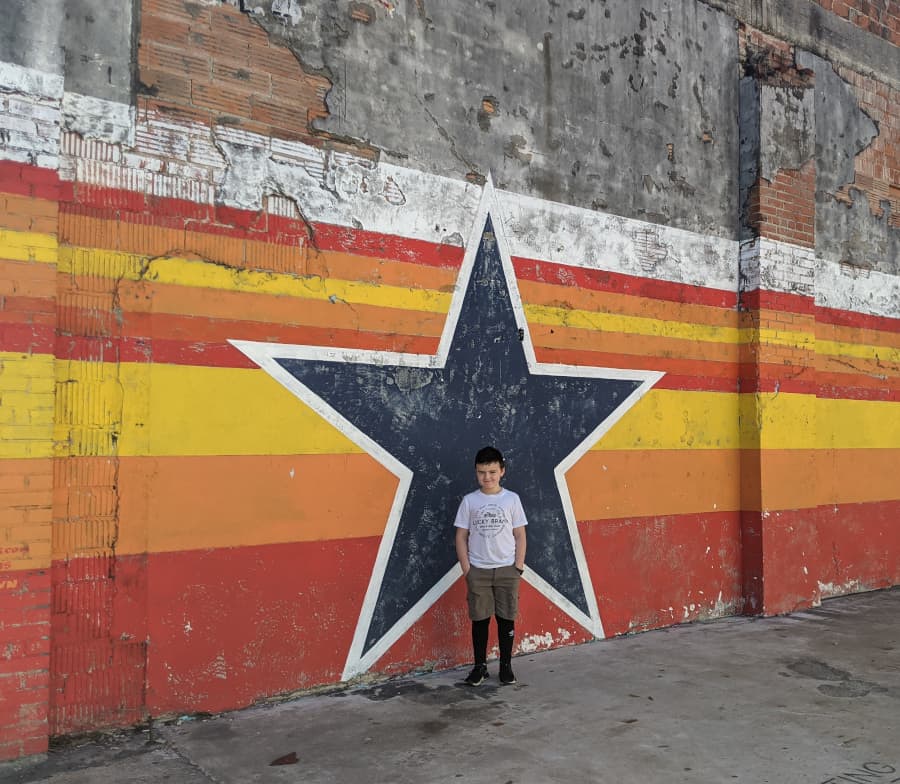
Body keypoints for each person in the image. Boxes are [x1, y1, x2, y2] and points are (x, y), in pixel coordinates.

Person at [454, 446, 527, 685]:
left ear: (502, 471)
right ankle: (480, 667)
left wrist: (518, 567)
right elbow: (461, 536)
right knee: (480, 620)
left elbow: (520, 535)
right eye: (482, 472)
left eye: (492, 472)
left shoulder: (512, 499)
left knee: (506, 619)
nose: (487, 477)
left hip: (507, 570)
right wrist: (467, 570)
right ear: (476, 472)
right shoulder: (470, 501)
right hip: (479, 572)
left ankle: (505, 666)